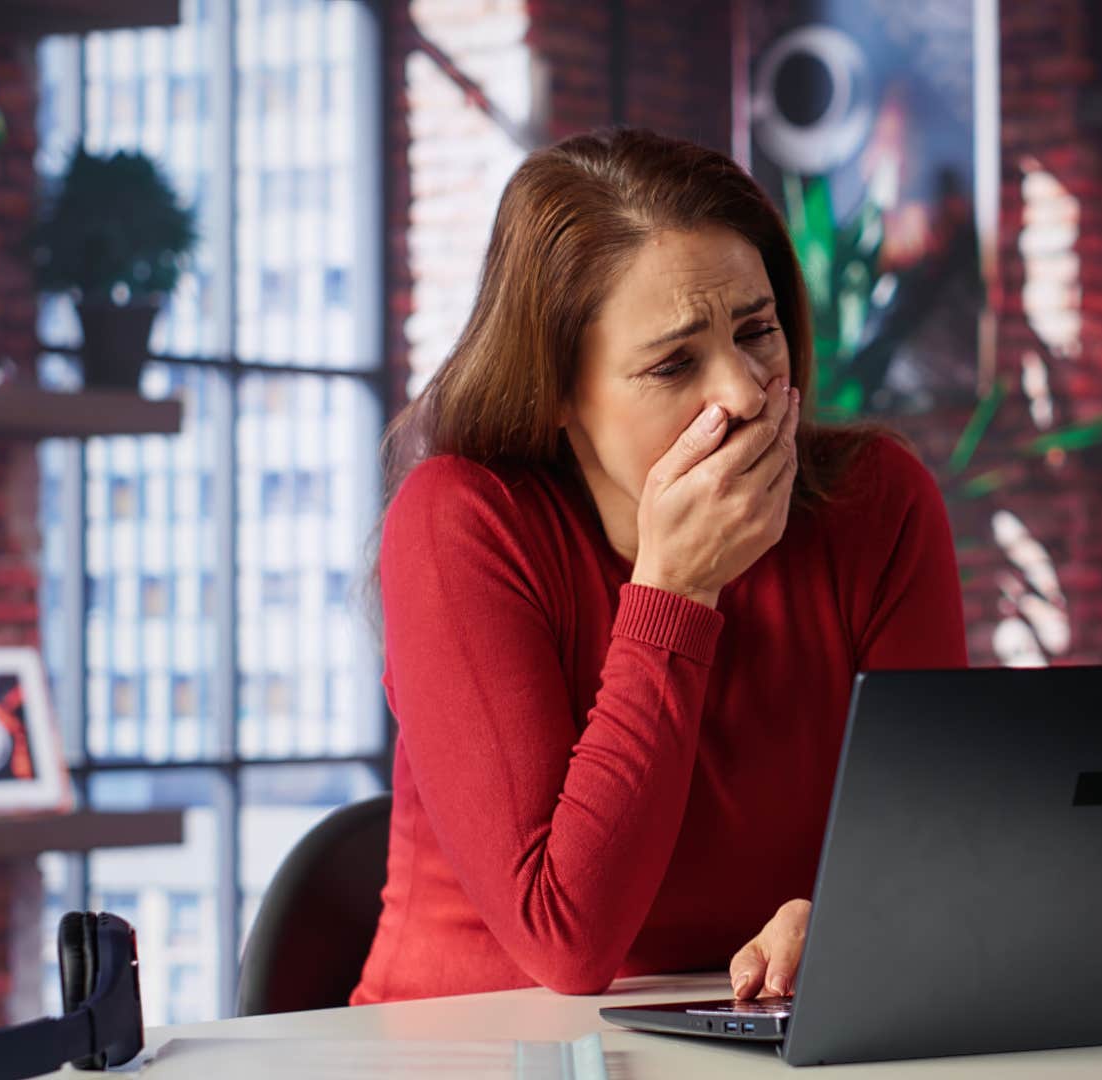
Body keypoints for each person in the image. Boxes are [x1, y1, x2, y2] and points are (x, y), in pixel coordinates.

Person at [350, 129, 969, 1006]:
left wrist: (852, 919)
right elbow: (568, 941)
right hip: (471, 1044)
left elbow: (938, 850)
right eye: (675, 363)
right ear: (557, 390)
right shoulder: (460, 523)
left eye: (758, 331)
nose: (745, 393)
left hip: (754, 1041)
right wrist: (677, 592)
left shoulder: (879, 504)